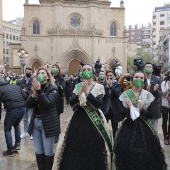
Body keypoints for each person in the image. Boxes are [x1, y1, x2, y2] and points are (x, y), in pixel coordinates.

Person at [53, 64, 112, 170]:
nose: (86, 71)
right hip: (78, 120)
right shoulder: (77, 86)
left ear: (93, 73)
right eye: (84, 70)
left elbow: (98, 103)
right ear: (81, 73)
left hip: (94, 122)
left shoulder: (99, 87)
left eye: (89, 69)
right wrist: (80, 93)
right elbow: (72, 103)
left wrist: (87, 94)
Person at [113, 71, 167, 170]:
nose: (139, 79)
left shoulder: (148, 95)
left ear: (144, 80)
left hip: (145, 129)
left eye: (141, 78)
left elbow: (151, 115)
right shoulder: (125, 94)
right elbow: (121, 114)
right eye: (136, 77)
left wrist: (141, 110)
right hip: (128, 128)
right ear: (133, 79)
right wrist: (129, 109)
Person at [26, 67, 60, 169]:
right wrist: (33, 94)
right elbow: (28, 104)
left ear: (48, 76)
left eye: (43, 73)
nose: (41, 74)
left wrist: (39, 91)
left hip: (48, 123)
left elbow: (48, 104)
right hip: (36, 122)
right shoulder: (35, 88)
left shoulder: (53, 88)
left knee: (48, 151)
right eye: (39, 73)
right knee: (38, 150)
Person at [0, 80, 27, 157]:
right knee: (16, 124)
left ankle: (10, 150)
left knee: (7, 129)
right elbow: (25, 96)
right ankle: (17, 143)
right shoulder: (16, 86)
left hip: (12, 110)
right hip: (22, 109)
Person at [101, 70, 122, 140]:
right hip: (105, 109)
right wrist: (107, 87)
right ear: (106, 76)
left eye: (111, 76)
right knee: (104, 129)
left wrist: (111, 86)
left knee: (115, 129)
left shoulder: (117, 85)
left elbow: (117, 94)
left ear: (114, 76)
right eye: (108, 76)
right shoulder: (103, 85)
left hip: (114, 110)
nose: (109, 77)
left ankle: (114, 146)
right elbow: (103, 95)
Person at [144, 62, 163, 133]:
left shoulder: (157, 80)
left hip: (154, 107)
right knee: (144, 130)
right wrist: (146, 90)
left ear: (152, 69)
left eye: (150, 67)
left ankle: (155, 143)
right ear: (144, 69)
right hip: (144, 108)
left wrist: (156, 91)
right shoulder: (141, 79)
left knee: (154, 130)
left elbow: (160, 94)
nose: (148, 68)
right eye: (146, 67)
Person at [19, 67, 33, 139]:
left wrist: (26, 91)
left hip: (30, 101)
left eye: (29, 72)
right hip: (23, 102)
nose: (28, 73)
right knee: (24, 118)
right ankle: (25, 131)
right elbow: (19, 90)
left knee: (31, 117)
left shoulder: (34, 81)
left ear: (31, 73)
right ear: (25, 72)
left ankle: (32, 132)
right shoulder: (21, 81)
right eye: (27, 71)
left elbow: (34, 92)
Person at [161, 71, 170, 145]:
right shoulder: (164, 83)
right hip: (164, 104)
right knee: (164, 121)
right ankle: (165, 137)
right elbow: (163, 93)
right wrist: (168, 87)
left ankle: (169, 137)